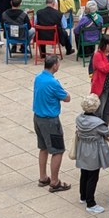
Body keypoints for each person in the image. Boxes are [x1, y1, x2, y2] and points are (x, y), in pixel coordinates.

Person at [33, 55, 72, 192]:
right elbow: (66, 98)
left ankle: (43, 177)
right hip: (50, 121)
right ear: (54, 65)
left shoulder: (38, 78)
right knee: (58, 150)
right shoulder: (53, 83)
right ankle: (55, 182)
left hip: (37, 118)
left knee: (43, 148)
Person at [74, 94, 109, 213]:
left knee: (84, 173)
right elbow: (106, 133)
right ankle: (90, 203)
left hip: (82, 148)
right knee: (93, 176)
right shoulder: (98, 123)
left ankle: (83, 196)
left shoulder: (79, 118)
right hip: (93, 150)